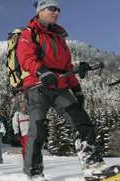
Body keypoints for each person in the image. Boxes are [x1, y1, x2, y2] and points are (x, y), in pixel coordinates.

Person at [16, 0, 104, 180]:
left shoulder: (59, 38)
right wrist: (42, 71)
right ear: (40, 10)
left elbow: (65, 67)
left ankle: (92, 164)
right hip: (37, 87)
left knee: (82, 121)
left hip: (60, 87)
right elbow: (25, 57)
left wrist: (76, 87)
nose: (56, 12)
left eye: (58, 9)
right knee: (37, 130)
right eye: (52, 8)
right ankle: (34, 172)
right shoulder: (29, 33)